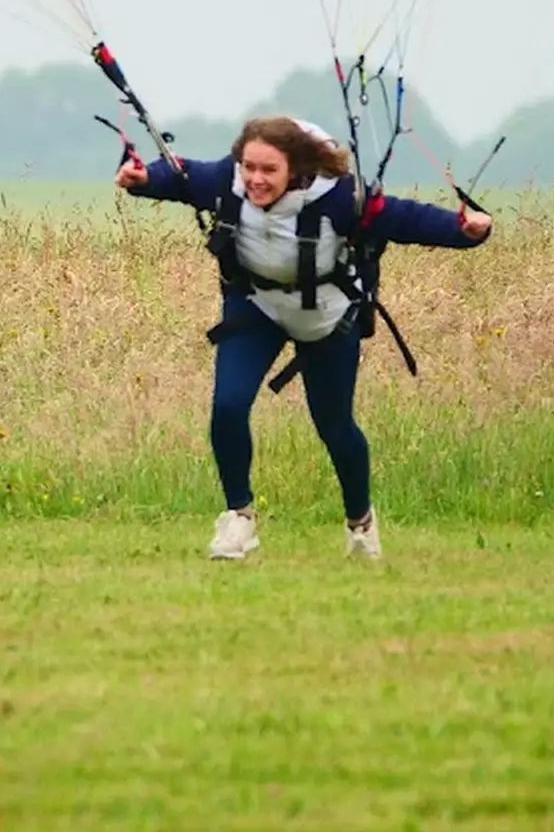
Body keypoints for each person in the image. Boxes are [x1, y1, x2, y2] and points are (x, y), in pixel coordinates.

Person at [115, 115, 492, 561]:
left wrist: (465, 231)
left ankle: (360, 522)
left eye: (268, 170)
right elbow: (181, 176)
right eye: (249, 167)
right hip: (256, 308)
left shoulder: (339, 200)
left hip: (327, 318)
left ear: (296, 169)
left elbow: (406, 218)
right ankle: (239, 518)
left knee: (335, 428)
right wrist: (141, 179)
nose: (255, 179)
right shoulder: (226, 180)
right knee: (228, 407)